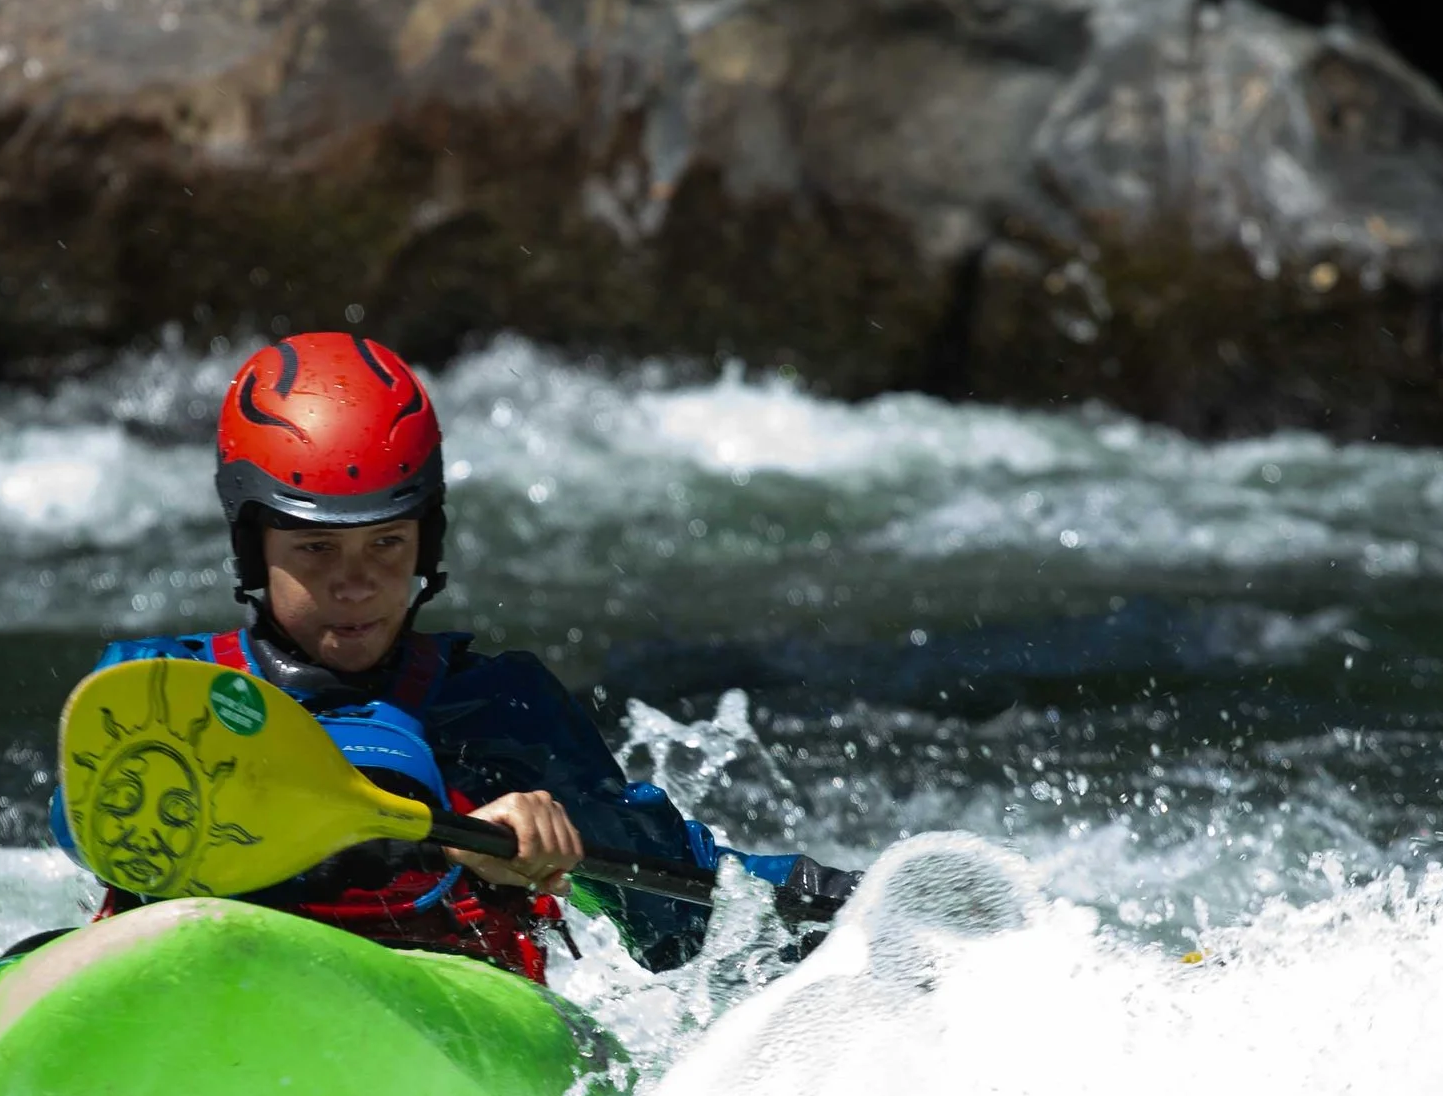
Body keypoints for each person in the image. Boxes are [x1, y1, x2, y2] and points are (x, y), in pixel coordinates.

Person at [50, 332, 857, 983]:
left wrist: (853, 904)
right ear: (254, 546)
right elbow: (80, 820)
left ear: (426, 541)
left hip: (441, 1023)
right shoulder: (161, 689)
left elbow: (688, 914)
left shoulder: (502, 712)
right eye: (315, 549)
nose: (356, 583)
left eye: (386, 544)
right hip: (210, 991)